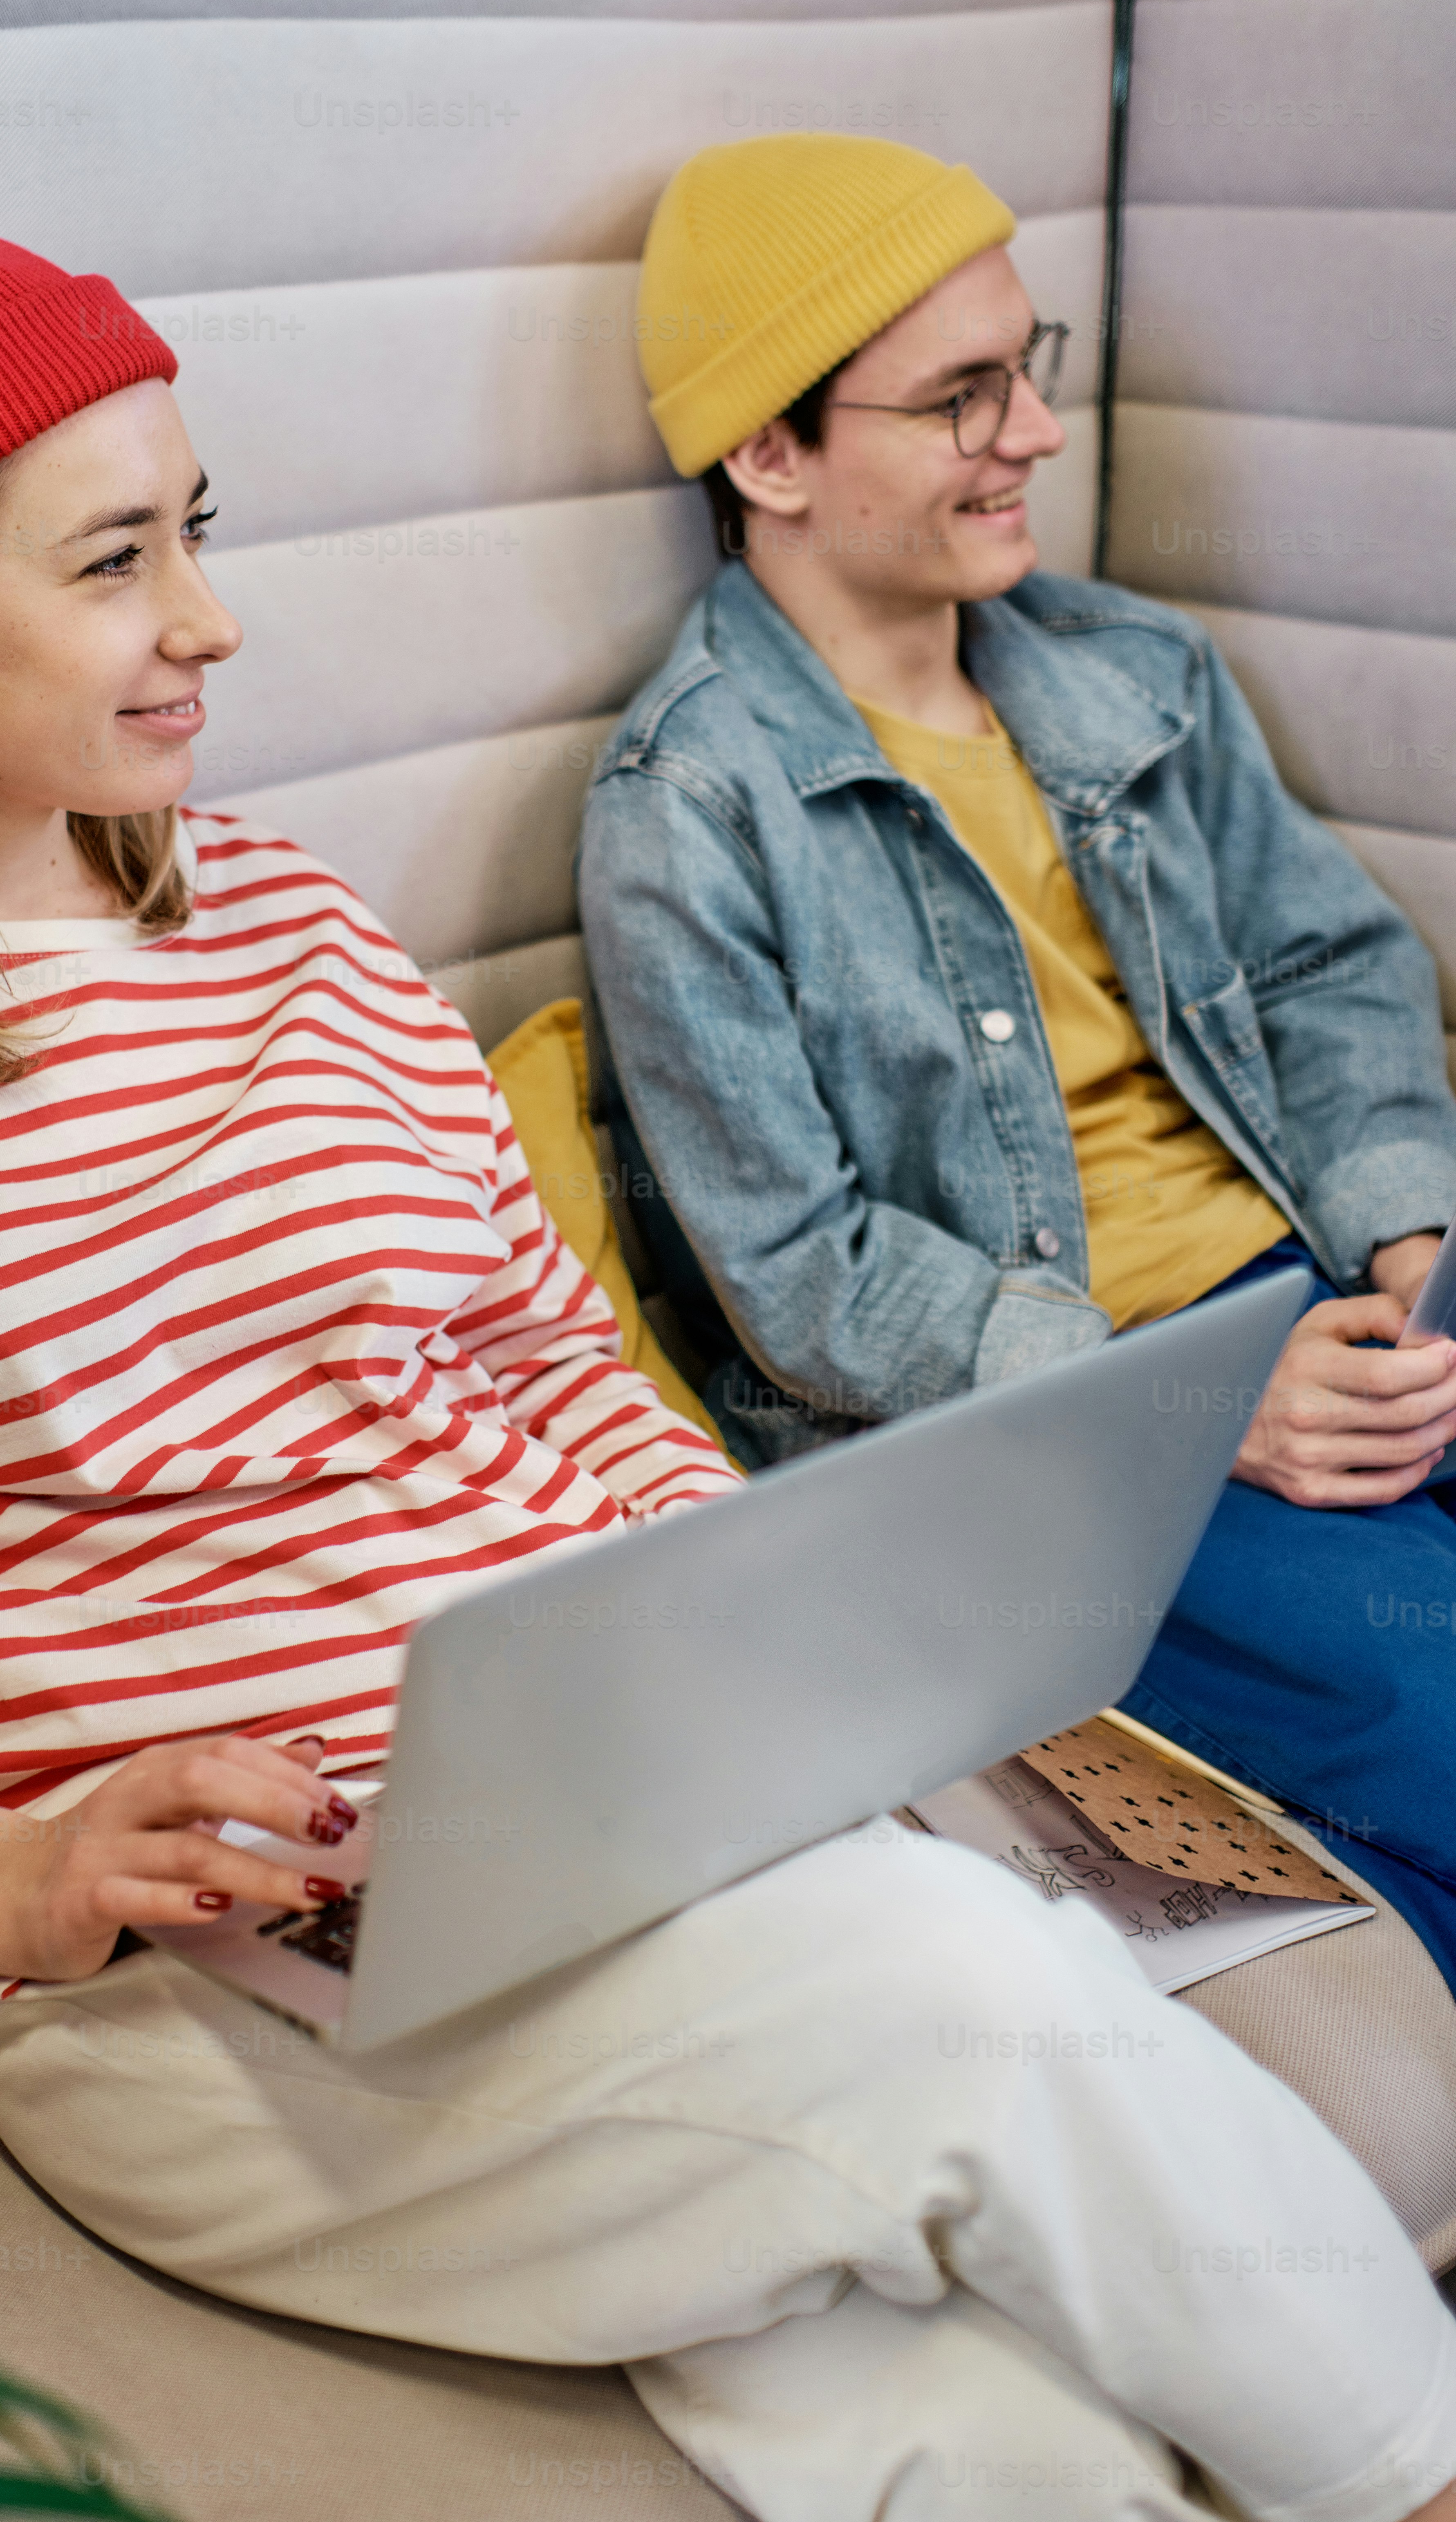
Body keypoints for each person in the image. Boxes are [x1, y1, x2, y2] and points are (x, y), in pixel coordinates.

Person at [0, 177, 1456, 2522]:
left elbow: (557, 1362)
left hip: (604, 1822)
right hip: (197, 1970)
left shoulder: (297, 928)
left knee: (1046, 2488)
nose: (209, 620)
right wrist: (4, 1879)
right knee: (964, 1997)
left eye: (197, 530)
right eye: (116, 560)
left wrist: (752, 1626)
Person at [580, 129, 1456, 2003]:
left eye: (1025, 367)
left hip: (1335, 1289)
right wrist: (1194, 1398)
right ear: (769, 454)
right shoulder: (687, 808)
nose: (1038, 433)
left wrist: (1405, 1238)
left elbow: (1334, 970)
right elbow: (802, 1273)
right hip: (1061, 1435)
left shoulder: (1138, 667)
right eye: (961, 398)